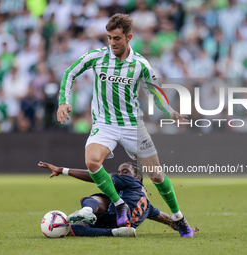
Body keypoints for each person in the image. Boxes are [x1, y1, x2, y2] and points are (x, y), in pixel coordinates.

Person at [57, 13, 193, 237]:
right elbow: (69, 73)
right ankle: (119, 203)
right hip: (104, 124)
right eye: (109, 37)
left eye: (117, 38)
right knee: (92, 161)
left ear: (128, 37)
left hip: (132, 125)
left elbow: (154, 92)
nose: (112, 43)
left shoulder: (140, 64)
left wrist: (171, 112)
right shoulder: (97, 57)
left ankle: (179, 218)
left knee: (157, 176)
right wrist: (64, 101)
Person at [38, 161, 198, 237]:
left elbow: (96, 176)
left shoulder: (130, 181)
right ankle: (116, 232)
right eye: (120, 172)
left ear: (137, 177)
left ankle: (87, 210)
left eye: (125, 171)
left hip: (115, 215)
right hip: (118, 223)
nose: (121, 174)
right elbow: (165, 218)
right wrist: (185, 228)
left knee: (92, 198)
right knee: (74, 229)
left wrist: (62, 170)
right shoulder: (147, 206)